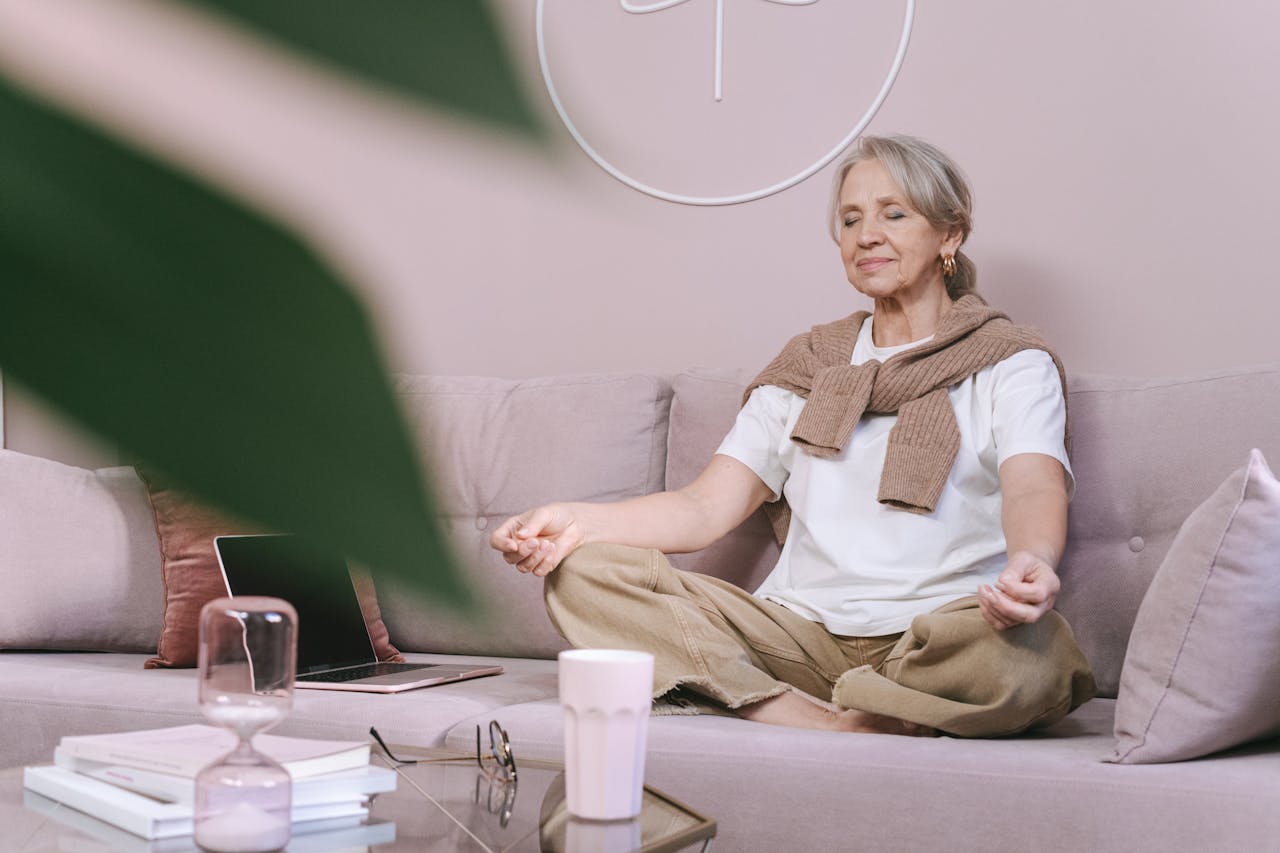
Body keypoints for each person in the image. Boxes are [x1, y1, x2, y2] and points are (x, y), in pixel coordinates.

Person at [490, 135, 1096, 738]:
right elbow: (703, 509)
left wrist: (1031, 562)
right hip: (798, 636)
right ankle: (820, 717)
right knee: (583, 574)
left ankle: (883, 699)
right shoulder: (810, 366)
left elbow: (1031, 487)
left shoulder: (1010, 362)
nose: (866, 236)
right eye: (851, 219)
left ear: (950, 234)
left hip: (938, 639)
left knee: (1036, 654)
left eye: (894, 213)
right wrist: (570, 521)